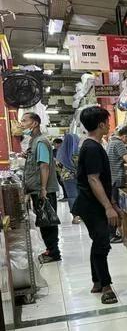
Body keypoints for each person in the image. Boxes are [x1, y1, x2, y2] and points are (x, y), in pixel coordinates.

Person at [73, 106, 119, 304]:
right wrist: (108, 207)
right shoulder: (91, 147)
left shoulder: (93, 145)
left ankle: (97, 281)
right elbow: (93, 179)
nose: (109, 125)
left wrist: (112, 203)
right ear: (101, 124)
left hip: (92, 203)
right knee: (102, 242)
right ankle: (106, 286)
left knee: (98, 241)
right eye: (107, 122)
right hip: (92, 205)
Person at [19, 112, 61, 263]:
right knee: (44, 221)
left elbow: (44, 166)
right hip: (37, 188)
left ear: (35, 123)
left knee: (48, 221)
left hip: (43, 189)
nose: (22, 124)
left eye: (24, 121)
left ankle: (54, 252)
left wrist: (43, 188)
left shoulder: (41, 142)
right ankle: (51, 250)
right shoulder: (34, 141)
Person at [106, 125, 127, 243]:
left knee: (114, 206)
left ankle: (112, 233)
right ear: (125, 136)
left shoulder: (111, 142)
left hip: (111, 179)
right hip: (115, 180)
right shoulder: (119, 143)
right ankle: (111, 235)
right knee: (114, 208)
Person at [56, 133, 82, 224]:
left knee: (72, 196)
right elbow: (81, 165)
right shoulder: (77, 151)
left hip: (66, 178)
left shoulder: (60, 152)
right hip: (79, 177)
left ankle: (75, 217)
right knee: (80, 195)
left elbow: (58, 166)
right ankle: (82, 214)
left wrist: (63, 174)